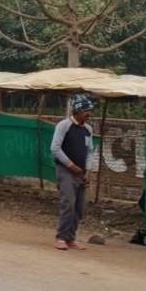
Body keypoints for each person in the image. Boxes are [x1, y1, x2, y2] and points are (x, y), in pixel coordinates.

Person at [51, 94, 96, 251]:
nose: (88, 114)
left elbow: (90, 151)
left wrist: (87, 171)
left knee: (79, 207)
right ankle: (61, 237)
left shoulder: (88, 129)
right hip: (66, 171)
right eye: (86, 111)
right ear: (77, 111)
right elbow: (55, 148)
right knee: (68, 203)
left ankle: (71, 237)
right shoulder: (64, 125)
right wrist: (70, 165)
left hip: (81, 173)